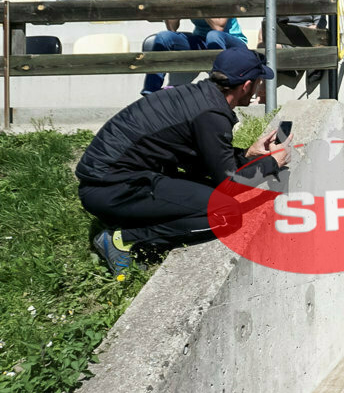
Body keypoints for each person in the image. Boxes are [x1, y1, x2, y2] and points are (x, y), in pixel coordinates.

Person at [77, 48, 289, 275]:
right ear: (246, 85)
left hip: (109, 183)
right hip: (113, 190)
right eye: (258, 82)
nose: (259, 88)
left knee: (209, 193)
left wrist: (248, 154)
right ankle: (123, 239)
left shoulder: (198, 98)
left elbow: (205, 164)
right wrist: (272, 163)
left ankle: (133, 226)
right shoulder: (211, 114)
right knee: (227, 214)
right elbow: (230, 184)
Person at [143, 0, 249, 94]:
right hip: (201, 41)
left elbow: (219, 26)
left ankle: (217, 88)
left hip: (231, 42)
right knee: (163, 37)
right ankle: (150, 93)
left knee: (213, 35)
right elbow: (171, 29)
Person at [257, 0, 326, 90]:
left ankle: (262, 93)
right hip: (283, 37)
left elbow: (319, 23)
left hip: (307, 37)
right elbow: (266, 26)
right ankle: (262, 92)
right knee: (265, 44)